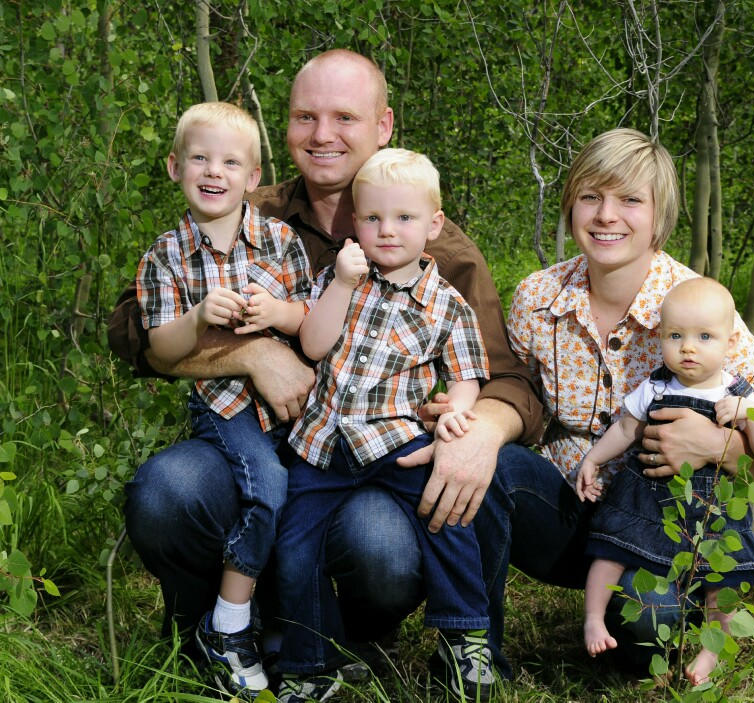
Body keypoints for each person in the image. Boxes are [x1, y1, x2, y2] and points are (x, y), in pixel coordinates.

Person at [108, 49, 543, 694]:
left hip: (370, 455)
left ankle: (362, 636)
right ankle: (219, 628)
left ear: (384, 125)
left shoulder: (433, 243)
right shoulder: (249, 211)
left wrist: (478, 430)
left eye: (345, 116)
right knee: (167, 491)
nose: (322, 135)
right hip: (254, 437)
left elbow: (507, 380)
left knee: (380, 547)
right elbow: (133, 330)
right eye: (304, 116)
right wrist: (254, 354)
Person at [475, 127, 754, 678]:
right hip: (573, 506)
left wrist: (721, 448)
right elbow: (515, 394)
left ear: (659, 215)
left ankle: (658, 621)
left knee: (648, 626)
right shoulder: (538, 297)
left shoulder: (699, 311)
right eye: (591, 196)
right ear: (571, 205)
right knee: (489, 463)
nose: (607, 215)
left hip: (665, 527)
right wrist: (475, 415)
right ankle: (477, 653)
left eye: (630, 199)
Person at [274, 148, 493, 702]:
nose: (387, 231)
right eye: (372, 218)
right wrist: (341, 287)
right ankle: (309, 664)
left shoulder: (447, 305)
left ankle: (464, 634)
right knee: (295, 545)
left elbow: (466, 372)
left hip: (396, 441)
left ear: (433, 224)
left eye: (404, 218)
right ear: (354, 223)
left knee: (446, 516)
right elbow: (314, 343)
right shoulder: (341, 278)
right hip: (321, 445)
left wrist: (460, 413)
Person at [133, 101, 312, 694]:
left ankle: (297, 639)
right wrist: (198, 316)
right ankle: (228, 623)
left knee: (299, 500)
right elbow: (161, 345)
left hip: (291, 410)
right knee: (268, 486)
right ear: (174, 167)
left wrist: (279, 314)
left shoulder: (282, 241)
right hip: (225, 407)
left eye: (231, 161)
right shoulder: (165, 254)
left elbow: (312, 322)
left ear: (254, 177)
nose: (214, 171)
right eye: (200, 158)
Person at [574, 277, 754, 684]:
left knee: (722, 581)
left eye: (704, 336)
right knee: (611, 550)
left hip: (713, 508)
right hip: (649, 500)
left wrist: (746, 417)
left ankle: (710, 649)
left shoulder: (738, 392)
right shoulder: (654, 386)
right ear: (661, 339)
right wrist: (592, 460)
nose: (688, 347)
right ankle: (594, 620)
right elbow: (625, 430)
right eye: (676, 336)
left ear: (728, 344)